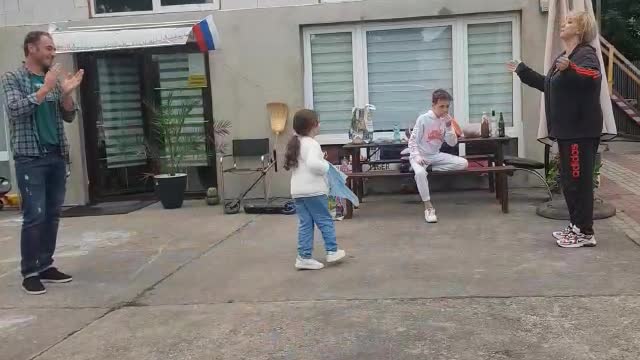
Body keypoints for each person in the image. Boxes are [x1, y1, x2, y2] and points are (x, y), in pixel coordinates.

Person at [508, 11, 601, 248]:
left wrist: (570, 68)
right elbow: (548, 85)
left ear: (580, 30)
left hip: (580, 132)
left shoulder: (586, 54)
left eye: (569, 22)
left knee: (579, 182)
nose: (563, 24)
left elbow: (592, 76)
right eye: (564, 21)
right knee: (570, 182)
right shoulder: (562, 57)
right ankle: (576, 225)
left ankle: (585, 232)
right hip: (567, 132)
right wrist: (523, 71)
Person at [1, 31, 84, 294]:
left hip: (55, 155)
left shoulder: (54, 80)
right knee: (34, 216)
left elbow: (69, 116)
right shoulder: (12, 78)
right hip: (30, 158)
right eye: (48, 48)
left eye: (53, 48)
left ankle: (46, 264)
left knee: (52, 214)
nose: (53, 52)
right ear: (31, 49)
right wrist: (46, 88)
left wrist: (67, 93)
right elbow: (14, 110)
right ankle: (30, 272)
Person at [284, 109, 346, 270]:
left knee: (305, 224)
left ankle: (304, 257)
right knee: (325, 220)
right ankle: (332, 251)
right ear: (313, 126)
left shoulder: (295, 142)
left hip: (298, 192)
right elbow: (313, 164)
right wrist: (326, 166)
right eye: (318, 122)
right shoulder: (312, 144)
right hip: (314, 191)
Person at [408, 89, 468, 223]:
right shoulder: (423, 119)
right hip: (420, 156)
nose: (445, 110)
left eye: (447, 106)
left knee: (463, 164)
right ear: (433, 105)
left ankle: (431, 168)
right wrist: (417, 156)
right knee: (420, 174)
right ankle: (428, 207)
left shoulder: (446, 120)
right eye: (442, 106)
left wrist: (448, 126)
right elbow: (412, 141)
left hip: (435, 156)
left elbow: (452, 143)